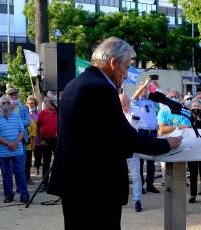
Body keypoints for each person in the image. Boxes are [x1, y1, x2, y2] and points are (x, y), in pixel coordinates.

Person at [47, 36, 182, 230]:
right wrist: (166, 143)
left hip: (74, 182)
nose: (126, 75)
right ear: (113, 63)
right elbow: (124, 136)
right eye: (126, 67)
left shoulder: (74, 84)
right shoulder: (101, 88)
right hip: (96, 187)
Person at [0, 96, 29, 203]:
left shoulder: (17, 117)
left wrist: (15, 143)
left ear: (11, 104)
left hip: (17, 150)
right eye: (3, 103)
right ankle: (8, 195)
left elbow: (22, 131)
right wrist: (8, 144)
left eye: (8, 102)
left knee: (20, 172)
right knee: (6, 173)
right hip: (4, 151)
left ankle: (24, 194)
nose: (6, 104)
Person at [131, 77, 162, 194]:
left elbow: (160, 93)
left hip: (152, 132)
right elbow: (135, 96)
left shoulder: (151, 101)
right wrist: (145, 84)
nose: (145, 91)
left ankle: (150, 184)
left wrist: (155, 82)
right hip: (142, 132)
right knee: (140, 161)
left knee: (151, 160)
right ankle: (141, 185)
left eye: (146, 90)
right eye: (142, 89)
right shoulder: (136, 101)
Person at [119, 93, 143, 212]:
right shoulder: (117, 112)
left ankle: (137, 200)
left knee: (136, 175)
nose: (124, 107)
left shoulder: (136, 110)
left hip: (132, 147)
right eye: (122, 104)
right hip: (119, 148)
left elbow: (133, 126)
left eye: (125, 104)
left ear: (128, 102)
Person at [187, 100, 201, 204]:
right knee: (193, 173)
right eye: (194, 106)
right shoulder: (187, 118)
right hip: (192, 149)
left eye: (198, 106)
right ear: (190, 107)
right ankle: (193, 195)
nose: (196, 108)